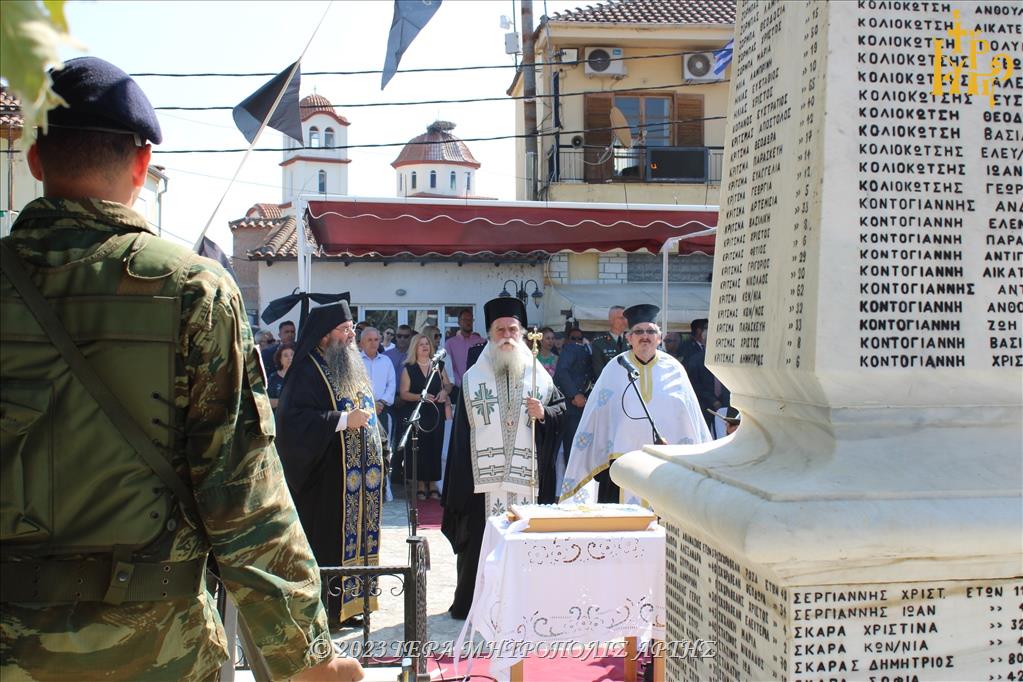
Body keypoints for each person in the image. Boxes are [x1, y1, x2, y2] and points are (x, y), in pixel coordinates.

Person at [0, 57, 360, 680]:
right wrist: (306, 660)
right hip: (159, 650)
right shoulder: (194, 291)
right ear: (142, 166)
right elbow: (245, 497)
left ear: (35, 160)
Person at [441, 298, 565, 619]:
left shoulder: (541, 377)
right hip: (483, 485)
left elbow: (562, 412)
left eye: (513, 329)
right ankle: (475, 604)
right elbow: (459, 440)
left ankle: (526, 604)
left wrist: (545, 413)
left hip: (527, 482)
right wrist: (462, 483)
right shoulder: (471, 379)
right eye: (501, 330)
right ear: (489, 334)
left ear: (522, 333)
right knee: (479, 544)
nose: (507, 335)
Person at [276, 302, 384, 628]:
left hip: (361, 478)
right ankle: (327, 611)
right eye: (345, 329)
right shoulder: (306, 370)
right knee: (328, 542)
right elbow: (293, 422)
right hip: (326, 479)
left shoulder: (351, 365)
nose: (351, 335)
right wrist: (341, 420)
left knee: (357, 540)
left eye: (351, 328)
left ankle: (354, 605)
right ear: (325, 336)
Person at [562, 304, 710, 506]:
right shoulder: (614, 368)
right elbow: (595, 417)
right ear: (629, 338)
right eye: (638, 331)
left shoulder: (675, 369)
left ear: (659, 338)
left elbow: (691, 418)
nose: (645, 336)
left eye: (651, 331)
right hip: (620, 466)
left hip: (668, 465)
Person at [398, 333, 453, 500]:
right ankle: (420, 484)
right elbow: (403, 394)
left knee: (435, 448)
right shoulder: (409, 368)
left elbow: (448, 385)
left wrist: (444, 392)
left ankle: (433, 483)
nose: (425, 347)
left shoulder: (439, 366)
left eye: (427, 344)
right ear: (415, 347)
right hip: (417, 413)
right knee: (420, 450)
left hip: (436, 413)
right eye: (421, 344)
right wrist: (419, 397)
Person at [553, 327, 593, 469]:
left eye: (579, 339)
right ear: (566, 340)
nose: (576, 342)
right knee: (571, 447)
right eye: (573, 338)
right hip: (571, 405)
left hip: (588, 405)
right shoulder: (570, 350)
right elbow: (561, 372)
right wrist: (574, 394)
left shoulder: (591, 349)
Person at [360, 326, 396, 435]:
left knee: (383, 446)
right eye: (369, 340)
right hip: (361, 410)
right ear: (362, 343)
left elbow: (391, 384)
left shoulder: (386, 361)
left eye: (376, 340)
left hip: (382, 410)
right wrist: (370, 404)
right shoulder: (355, 361)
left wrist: (380, 403)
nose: (373, 343)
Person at [445, 307, 485, 388]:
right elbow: (449, 367)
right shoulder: (450, 343)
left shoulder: (482, 342)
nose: (468, 322)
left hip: (478, 385)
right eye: (465, 320)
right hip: (457, 387)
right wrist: (460, 383)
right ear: (459, 322)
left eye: (470, 320)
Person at [589, 304, 628, 379]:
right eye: (620, 318)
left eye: (625, 318)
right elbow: (599, 371)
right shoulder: (599, 343)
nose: (624, 321)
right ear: (611, 320)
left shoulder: (632, 340)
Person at [266, 342, 295, 408]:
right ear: (280, 359)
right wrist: (286, 402)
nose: (290, 358)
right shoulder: (273, 378)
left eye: (292, 355)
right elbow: (267, 401)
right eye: (285, 355)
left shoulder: (302, 375)